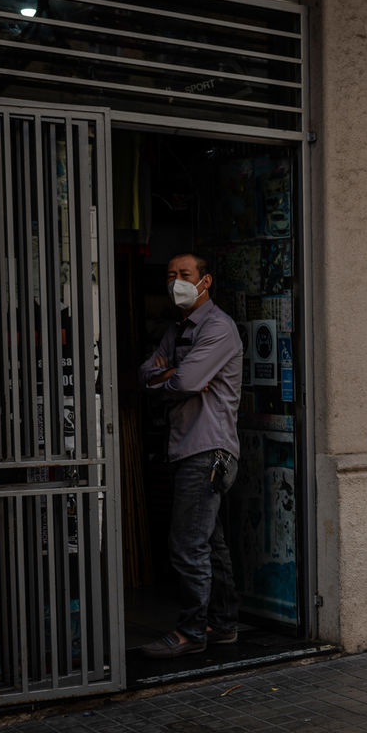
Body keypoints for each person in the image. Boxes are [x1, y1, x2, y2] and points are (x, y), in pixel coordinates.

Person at [136, 254, 244, 659]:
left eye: (185, 275)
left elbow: (186, 381)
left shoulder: (218, 327)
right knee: (209, 544)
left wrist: (171, 374)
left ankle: (191, 632)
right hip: (188, 448)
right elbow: (146, 373)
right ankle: (223, 624)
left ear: (205, 281)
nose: (176, 282)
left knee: (187, 545)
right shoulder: (177, 329)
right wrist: (168, 374)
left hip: (207, 450)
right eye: (171, 276)